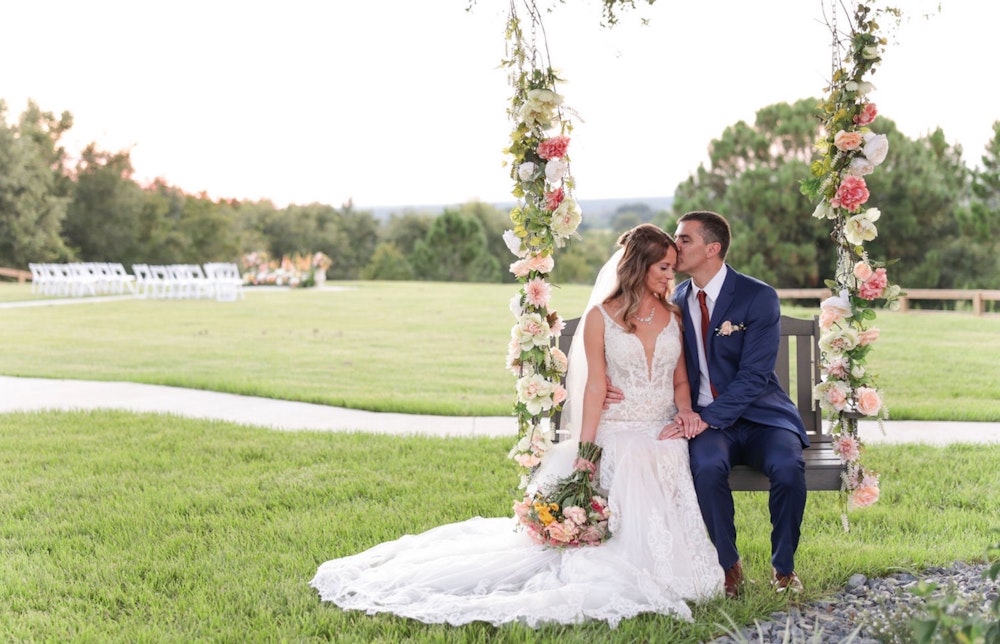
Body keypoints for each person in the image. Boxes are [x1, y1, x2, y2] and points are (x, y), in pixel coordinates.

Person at [309, 224, 723, 627]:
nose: (672, 275)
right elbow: (596, 387)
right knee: (633, 455)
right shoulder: (601, 317)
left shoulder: (673, 314)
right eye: (663, 267)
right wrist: (586, 452)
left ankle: (680, 564)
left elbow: (681, 379)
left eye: (672, 267)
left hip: (660, 425)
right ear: (638, 266)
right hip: (617, 426)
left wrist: (684, 412)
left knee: (665, 449)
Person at [610, 211, 809, 597]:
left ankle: (783, 568)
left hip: (762, 417)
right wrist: (609, 387)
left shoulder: (758, 296)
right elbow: (634, 347)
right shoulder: (675, 300)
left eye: (684, 239)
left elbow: (754, 376)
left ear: (712, 248)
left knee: (788, 468)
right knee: (706, 466)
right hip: (707, 422)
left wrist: (706, 419)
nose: (675, 245)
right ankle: (727, 565)